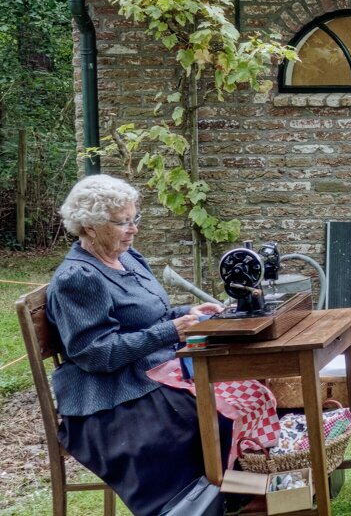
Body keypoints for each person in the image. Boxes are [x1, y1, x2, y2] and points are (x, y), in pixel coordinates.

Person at [47, 174, 231, 515]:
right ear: (89, 227)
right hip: (110, 399)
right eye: (122, 222)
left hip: (151, 372)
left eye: (135, 219)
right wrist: (172, 331)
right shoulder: (78, 278)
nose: (133, 229)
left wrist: (187, 314)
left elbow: (150, 316)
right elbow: (95, 354)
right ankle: (196, 505)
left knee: (235, 393)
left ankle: (239, 495)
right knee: (209, 416)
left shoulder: (128, 257)